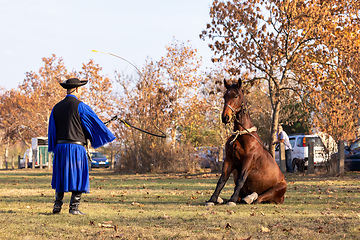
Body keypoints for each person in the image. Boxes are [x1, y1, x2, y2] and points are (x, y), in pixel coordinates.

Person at [48, 77, 115, 215]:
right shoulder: (81, 106)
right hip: (76, 148)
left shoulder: (56, 108)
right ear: (77, 89)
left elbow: (52, 131)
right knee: (79, 176)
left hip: (60, 148)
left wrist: (55, 147)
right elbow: (94, 126)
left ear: (67, 89)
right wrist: (104, 129)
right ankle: (74, 208)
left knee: (61, 176)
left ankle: (57, 206)